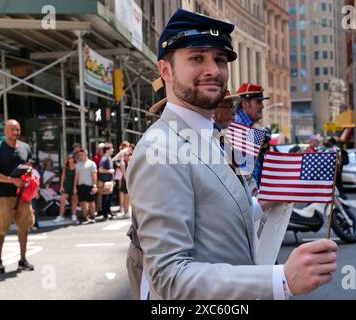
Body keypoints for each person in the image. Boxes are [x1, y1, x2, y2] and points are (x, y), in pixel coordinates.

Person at [126, 8, 338, 300]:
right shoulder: (160, 150)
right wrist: (282, 279)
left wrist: (261, 203)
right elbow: (169, 277)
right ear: (165, 70)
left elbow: (214, 212)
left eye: (221, 59)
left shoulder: (213, 137)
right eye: (197, 58)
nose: (213, 69)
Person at [0, 119, 36, 273]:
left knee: (24, 226)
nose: (16, 132)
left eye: (18, 129)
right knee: (1, 228)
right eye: (12, 129)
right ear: (5, 131)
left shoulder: (26, 147)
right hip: (2, 195)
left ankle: (22, 259)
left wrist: (28, 174)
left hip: (22, 195)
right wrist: (11, 180)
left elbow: (28, 166)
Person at [233, 83, 270, 188]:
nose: (262, 106)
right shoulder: (237, 126)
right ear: (245, 103)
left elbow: (255, 163)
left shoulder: (251, 126)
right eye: (258, 102)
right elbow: (245, 167)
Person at [73, 149, 98, 223]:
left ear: (86, 155)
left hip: (89, 185)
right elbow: (76, 176)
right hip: (81, 185)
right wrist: (75, 186)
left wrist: (94, 185)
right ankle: (85, 216)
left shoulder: (91, 163)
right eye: (79, 155)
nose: (80, 156)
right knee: (82, 202)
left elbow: (94, 175)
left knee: (91, 201)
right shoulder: (78, 164)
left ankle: (92, 216)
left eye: (82, 155)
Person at [54, 154, 78, 223]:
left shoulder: (77, 166)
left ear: (74, 159)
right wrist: (61, 186)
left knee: (74, 200)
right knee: (62, 199)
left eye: (71, 158)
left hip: (74, 184)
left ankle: (74, 214)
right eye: (69, 158)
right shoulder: (65, 166)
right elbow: (63, 176)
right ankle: (61, 216)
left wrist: (75, 187)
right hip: (67, 184)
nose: (70, 160)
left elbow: (77, 177)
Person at [98, 143, 115, 220]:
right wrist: (109, 171)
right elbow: (100, 170)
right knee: (105, 198)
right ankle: (105, 214)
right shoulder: (104, 158)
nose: (113, 150)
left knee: (109, 198)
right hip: (105, 182)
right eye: (111, 148)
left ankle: (108, 212)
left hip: (109, 181)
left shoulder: (108, 157)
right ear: (107, 149)